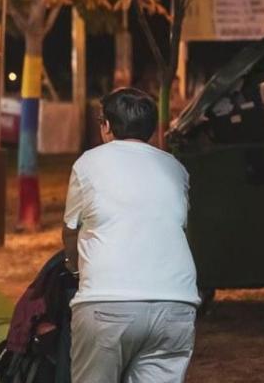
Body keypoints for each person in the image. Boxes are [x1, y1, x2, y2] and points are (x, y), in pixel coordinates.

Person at [63, 88, 200, 383]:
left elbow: (70, 229)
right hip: (176, 304)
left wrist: (74, 268)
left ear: (108, 127)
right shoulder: (175, 168)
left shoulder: (88, 163)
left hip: (108, 301)